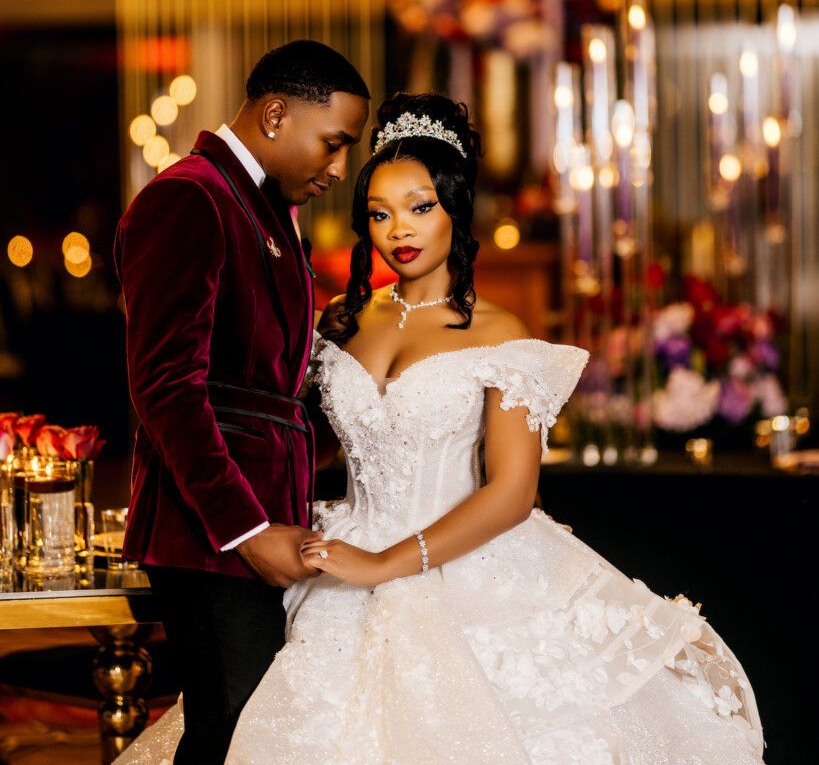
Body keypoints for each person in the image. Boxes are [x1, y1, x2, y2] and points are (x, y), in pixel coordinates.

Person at [117, 92, 765, 765]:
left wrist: (383, 563)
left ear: (455, 207)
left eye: (420, 207)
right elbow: (290, 431)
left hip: (464, 570)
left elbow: (512, 493)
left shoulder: (500, 333)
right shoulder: (340, 320)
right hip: (335, 560)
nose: (399, 229)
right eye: (379, 213)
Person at [113, 39, 370, 765]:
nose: (338, 168)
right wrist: (246, 530)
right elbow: (165, 385)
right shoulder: (189, 197)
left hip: (265, 521)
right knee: (233, 737)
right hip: (207, 532)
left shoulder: (263, 209)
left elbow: (266, 393)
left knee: (257, 737)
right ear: (276, 114)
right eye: (333, 143)